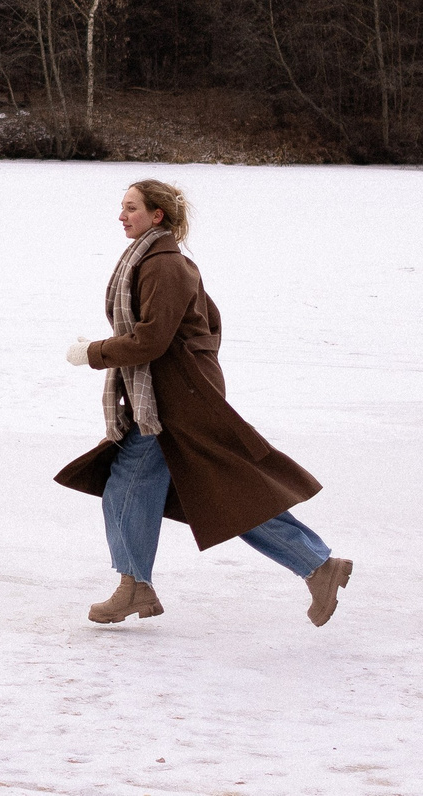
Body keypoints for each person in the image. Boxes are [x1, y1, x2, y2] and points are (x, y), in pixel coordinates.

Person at [55, 178, 353, 626]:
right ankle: (317, 565)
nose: (122, 215)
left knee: (136, 487)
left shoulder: (165, 266)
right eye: (122, 207)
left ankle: (135, 586)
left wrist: (96, 352)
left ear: (157, 216)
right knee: (221, 495)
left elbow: (153, 339)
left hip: (174, 402)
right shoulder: (156, 260)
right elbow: (205, 326)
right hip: (169, 395)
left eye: (132, 207)